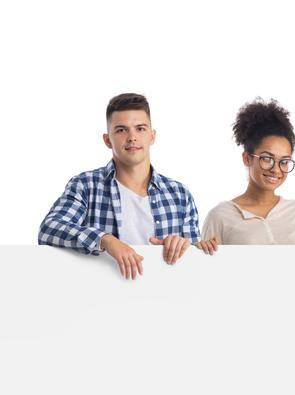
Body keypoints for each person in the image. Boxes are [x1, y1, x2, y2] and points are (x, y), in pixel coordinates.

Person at [38, 93, 199, 280]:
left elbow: (195, 261)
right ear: (107, 140)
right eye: (121, 130)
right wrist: (106, 240)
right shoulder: (86, 185)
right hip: (99, 299)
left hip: (163, 297)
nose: (132, 137)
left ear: (152, 136)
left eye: (140, 129)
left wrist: (181, 246)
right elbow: (49, 229)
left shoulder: (179, 195)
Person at [194, 99, 295, 257]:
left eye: (284, 161)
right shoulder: (220, 216)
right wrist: (198, 253)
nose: (276, 169)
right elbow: (209, 271)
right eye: (267, 158)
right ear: (247, 158)